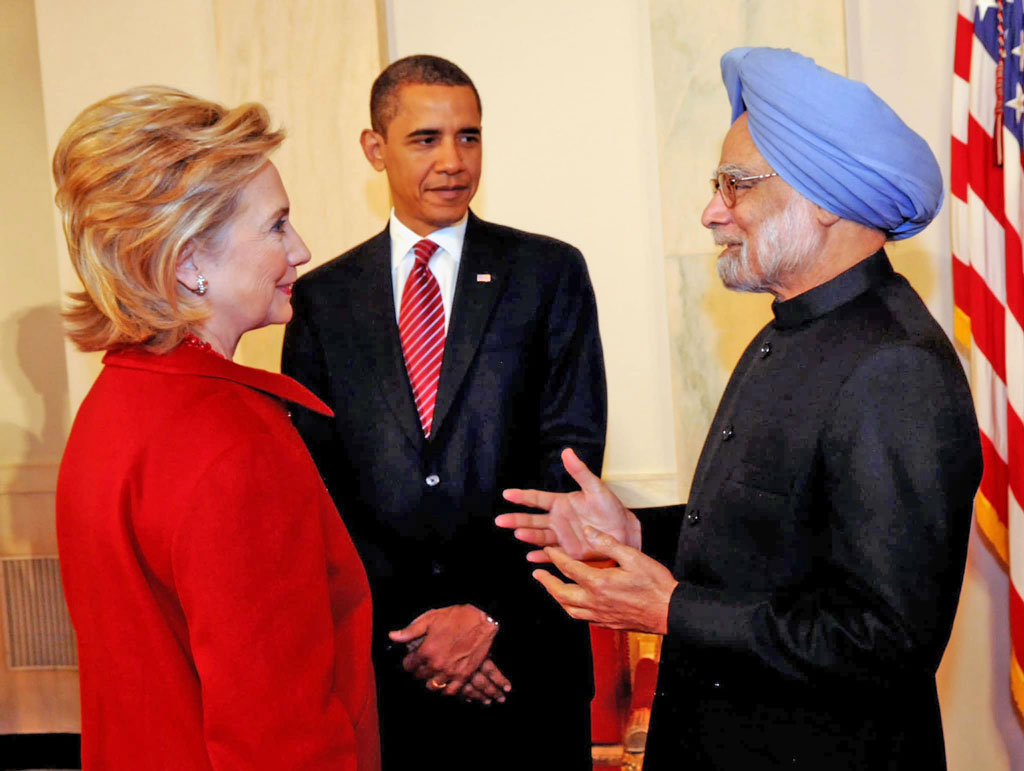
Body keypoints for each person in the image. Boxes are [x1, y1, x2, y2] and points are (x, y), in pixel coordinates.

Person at [497, 47, 983, 770]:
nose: (712, 211)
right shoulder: (789, 330)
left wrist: (671, 611)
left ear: (823, 198)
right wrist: (636, 532)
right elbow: (771, 542)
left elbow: (886, 638)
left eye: (737, 185)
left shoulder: (894, 367)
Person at [282, 55, 606, 769]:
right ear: (376, 148)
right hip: (395, 667)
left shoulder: (548, 275)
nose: (454, 161)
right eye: (426, 139)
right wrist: (420, 638)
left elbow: (569, 463)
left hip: (527, 658)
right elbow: (320, 487)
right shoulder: (324, 300)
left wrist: (487, 616)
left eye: (470, 137)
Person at [54, 87, 379, 771]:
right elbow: (279, 738)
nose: (302, 247)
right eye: (276, 225)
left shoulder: (115, 401)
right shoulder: (236, 441)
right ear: (188, 261)